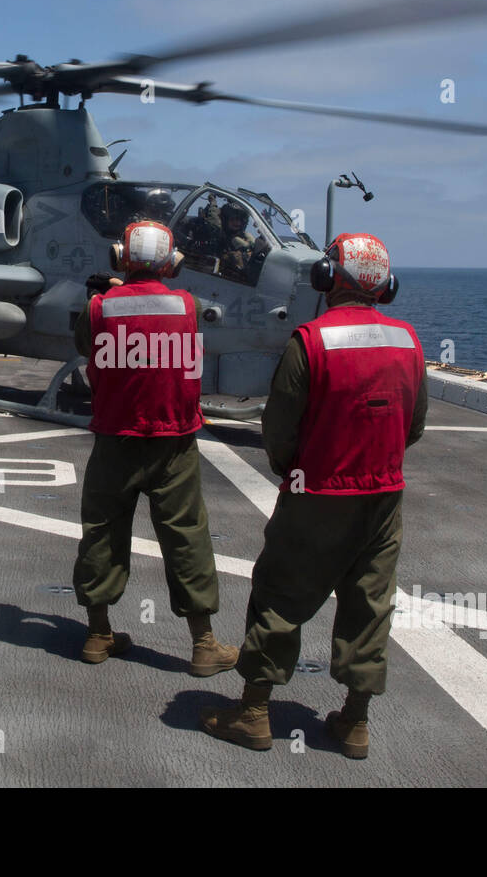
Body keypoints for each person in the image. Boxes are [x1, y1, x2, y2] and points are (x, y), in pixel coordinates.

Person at [200, 233, 427, 758]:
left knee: (280, 595)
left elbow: (279, 430)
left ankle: (254, 712)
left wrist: (294, 471)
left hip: (318, 491)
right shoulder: (409, 342)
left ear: (328, 279)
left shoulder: (312, 341)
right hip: (384, 496)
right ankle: (354, 723)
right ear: (384, 287)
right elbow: (413, 426)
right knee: (370, 603)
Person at [72, 220, 238, 677]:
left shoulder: (99, 308)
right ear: (171, 263)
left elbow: (86, 344)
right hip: (174, 443)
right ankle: (204, 645)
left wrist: (102, 296)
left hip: (115, 439)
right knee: (185, 536)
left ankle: (97, 633)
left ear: (120, 256)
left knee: (102, 531)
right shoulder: (188, 305)